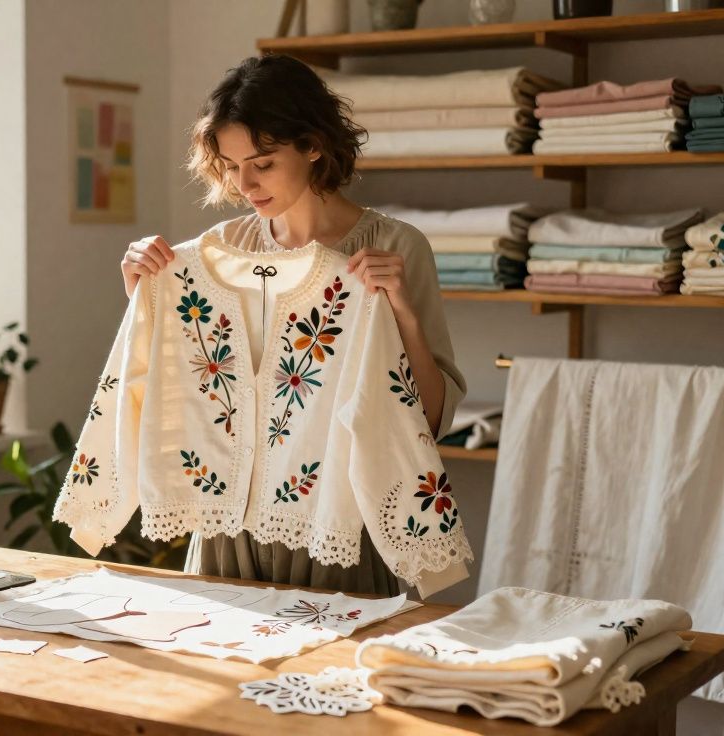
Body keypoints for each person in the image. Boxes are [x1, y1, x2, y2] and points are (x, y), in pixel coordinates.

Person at [119, 54, 467, 597]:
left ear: (313, 145)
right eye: (232, 166)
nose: (245, 184)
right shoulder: (219, 252)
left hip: (335, 532)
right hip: (223, 535)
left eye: (262, 163)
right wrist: (144, 296)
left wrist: (402, 313)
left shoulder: (396, 249)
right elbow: (183, 385)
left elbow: (428, 417)